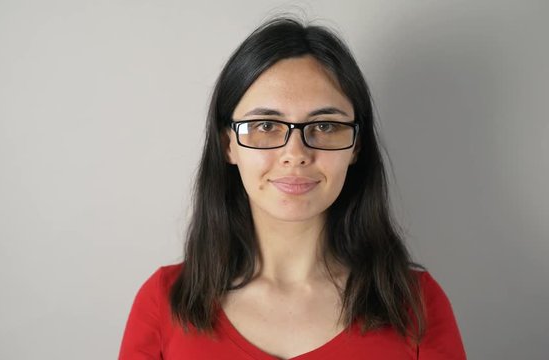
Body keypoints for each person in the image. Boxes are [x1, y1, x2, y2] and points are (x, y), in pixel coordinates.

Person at [118, 17, 466, 360]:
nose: (295, 154)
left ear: (356, 146)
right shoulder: (163, 303)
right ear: (228, 144)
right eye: (266, 125)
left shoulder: (417, 304)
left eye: (325, 126)